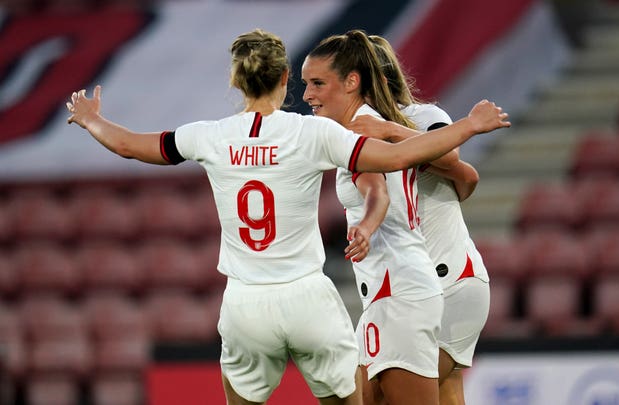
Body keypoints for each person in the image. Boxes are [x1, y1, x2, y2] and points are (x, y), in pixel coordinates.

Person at [66, 28, 509, 405]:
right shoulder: (313, 133)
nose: (309, 93)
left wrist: (91, 121)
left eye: (317, 83)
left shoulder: (208, 135)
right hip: (308, 297)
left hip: (245, 301)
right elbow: (395, 161)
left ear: (236, 81)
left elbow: (129, 145)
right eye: (303, 83)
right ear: (283, 77)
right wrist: (468, 125)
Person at [300, 29, 500, 405]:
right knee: (444, 391)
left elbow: (460, 169)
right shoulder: (352, 129)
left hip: (446, 275)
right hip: (405, 283)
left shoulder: (420, 118)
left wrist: (392, 133)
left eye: (319, 83)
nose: (310, 93)